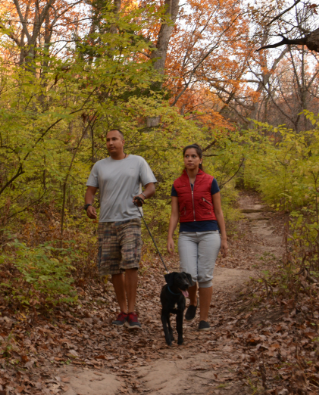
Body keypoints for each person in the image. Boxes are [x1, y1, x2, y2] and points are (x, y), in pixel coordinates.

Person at [84, 129, 157, 329]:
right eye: (107, 140)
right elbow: (90, 191)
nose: (110, 142)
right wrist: (88, 205)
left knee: (131, 263)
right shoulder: (99, 166)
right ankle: (123, 310)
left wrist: (142, 196)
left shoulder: (137, 161)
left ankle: (132, 311)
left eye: (114, 139)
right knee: (113, 267)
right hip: (106, 221)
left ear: (123, 141)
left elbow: (151, 186)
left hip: (130, 219)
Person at [166, 144, 228, 331]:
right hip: (186, 234)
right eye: (187, 156)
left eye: (194, 156)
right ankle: (192, 302)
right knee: (189, 274)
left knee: (205, 276)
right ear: (183, 159)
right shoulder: (177, 184)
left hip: (209, 232)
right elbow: (175, 213)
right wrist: (170, 236)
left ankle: (204, 319)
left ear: (200, 160)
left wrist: (224, 238)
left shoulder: (210, 181)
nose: (190, 159)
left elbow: (218, 211)